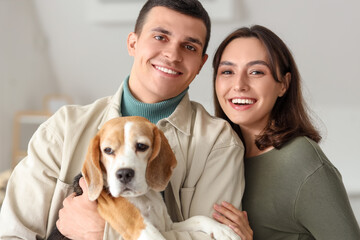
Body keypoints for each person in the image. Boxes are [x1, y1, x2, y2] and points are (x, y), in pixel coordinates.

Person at [0, 0, 246, 239]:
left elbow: (216, 237)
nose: (172, 54)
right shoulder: (63, 128)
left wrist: (103, 234)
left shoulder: (219, 142)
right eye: (160, 37)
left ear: (201, 63)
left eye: (190, 47)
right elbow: (13, 233)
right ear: (133, 43)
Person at [211, 25, 360, 239]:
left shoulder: (302, 162)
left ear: (283, 84)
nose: (239, 85)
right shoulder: (221, 155)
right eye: (227, 71)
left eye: (256, 72)